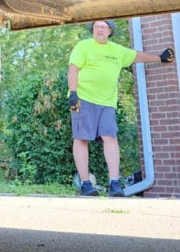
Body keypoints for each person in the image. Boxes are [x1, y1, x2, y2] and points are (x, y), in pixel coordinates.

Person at [68, 19, 174, 197]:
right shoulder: (83, 46)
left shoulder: (117, 50)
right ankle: (86, 184)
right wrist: (73, 93)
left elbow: (137, 56)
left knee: (110, 137)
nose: (99, 29)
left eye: (103, 27)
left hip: (108, 102)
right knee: (81, 139)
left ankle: (114, 183)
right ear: (92, 30)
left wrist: (160, 58)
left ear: (110, 31)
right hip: (83, 99)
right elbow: (73, 69)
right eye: (96, 27)